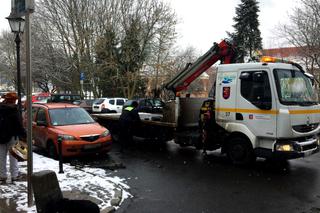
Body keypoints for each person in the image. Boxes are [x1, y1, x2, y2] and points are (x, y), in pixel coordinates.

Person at [0, 92, 26, 184]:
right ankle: (14, 176)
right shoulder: (13, 110)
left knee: (1, 157)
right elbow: (18, 126)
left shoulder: (1, 108)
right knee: (13, 157)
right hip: (12, 137)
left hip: (0, 137)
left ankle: (2, 176)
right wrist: (25, 135)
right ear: (13, 100)